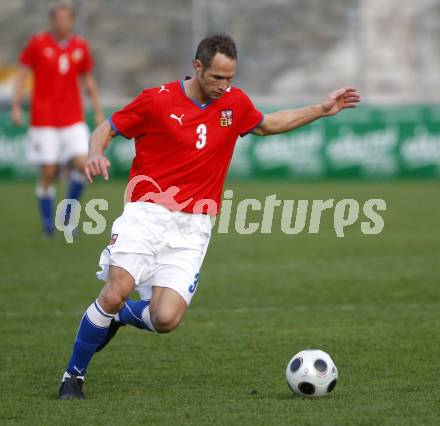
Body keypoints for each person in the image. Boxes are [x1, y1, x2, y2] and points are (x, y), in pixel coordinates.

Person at [58, 33, 360, 399]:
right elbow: (106, 129)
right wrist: (94, 153)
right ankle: (73, 376)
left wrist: (321, 109)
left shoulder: (234, 103)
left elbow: (268, 124)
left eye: (231, 77)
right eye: (217, 77)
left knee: (166, 319)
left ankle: (119, 316)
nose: (225, 86)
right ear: (197, 67)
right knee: (116, 290)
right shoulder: (157, 100)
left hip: (194, 227)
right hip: (146, 213)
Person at [11, 2, 104, 237]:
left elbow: (87, 79)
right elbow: (22, 74)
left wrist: (98, 109)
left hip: (72, 117)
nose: (62, 23)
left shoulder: (80, 45)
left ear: (71, 21)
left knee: (85, 165)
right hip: (44, 119)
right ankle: (47, 224)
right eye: (58, 19)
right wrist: (16, 105)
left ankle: (66, 215)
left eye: (66, 19)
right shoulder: (38, 43)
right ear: (52, 21)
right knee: (49, 172)